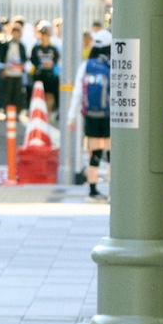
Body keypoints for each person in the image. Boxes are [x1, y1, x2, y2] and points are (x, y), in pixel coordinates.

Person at [68, 30, 114, 200]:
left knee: (94, 154)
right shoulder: (112, 64)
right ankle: (113, 191)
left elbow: (77, 93)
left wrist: (71, 117)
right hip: (109, 115)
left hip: (91, 117)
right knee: (112, 155)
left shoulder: (86, 66)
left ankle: (93, 190)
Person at [29, 22, 60, 114]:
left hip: (50, 75)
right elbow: (33, 60)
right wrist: (41, 65)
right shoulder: (36, 48)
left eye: (46, 35)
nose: (44, 37)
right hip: (39, 75)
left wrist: (50, 64)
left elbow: (56, 60)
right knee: (38, 94)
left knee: (50, 94)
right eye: (42, 34)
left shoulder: (53, 48)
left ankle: (48, 113)